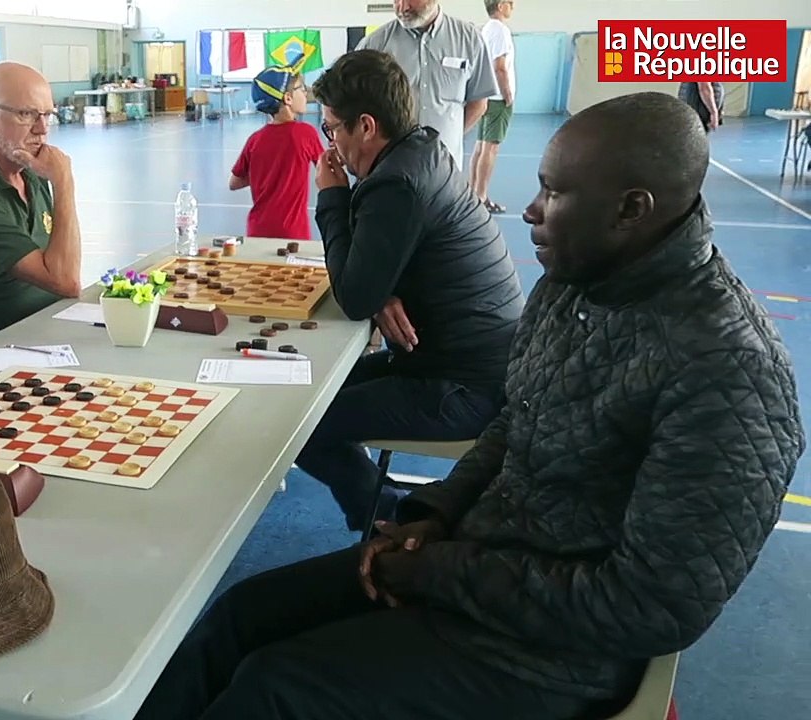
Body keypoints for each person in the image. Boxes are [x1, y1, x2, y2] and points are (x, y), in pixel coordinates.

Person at [136, 90, 804, 720]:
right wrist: (436, 513)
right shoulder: (577, 283)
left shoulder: (729, 371)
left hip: (551, 653)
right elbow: (517, 419)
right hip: (477, 562)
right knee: (236, 619)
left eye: (554, 192)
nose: (531, 210)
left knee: (275, 689)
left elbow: (649, 606)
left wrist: (438, 571)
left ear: (632, 208)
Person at [297, 50, 524, 530]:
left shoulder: (394, 184)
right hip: (471, 362)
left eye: (332, 128)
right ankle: (383, 501)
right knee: (310, 394)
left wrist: (332, 196)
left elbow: (353, 297)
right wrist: (381, 287)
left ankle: (387, 513)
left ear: (366, 126)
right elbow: (371, 277)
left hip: (464, 387)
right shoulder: (422, 150)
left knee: (299, 423)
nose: (331, 145)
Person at [0, 61, 81, 343]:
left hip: (47, 327)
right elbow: (65, 280)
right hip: (0, 345)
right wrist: (63, 183)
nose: (42, 129)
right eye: (26, 114)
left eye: (47, 115)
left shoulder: (26, 167)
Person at [356, 0, 498, 170]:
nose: (403, 8)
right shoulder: (374, 45)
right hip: (391, 170)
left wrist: (445, 139)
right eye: (396, 0)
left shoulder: (469, 39)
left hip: (445, 168)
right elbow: (354, 106)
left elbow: (479, 103)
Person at [228, 66, 324, 240]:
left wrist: (267, 173)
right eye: (301, 88)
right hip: (293, 232)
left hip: (257, 230)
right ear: (287, 98)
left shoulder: (254, 140)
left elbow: (234, 183)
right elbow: (326, 172)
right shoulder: (306, 134)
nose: (305, 92)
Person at [470, 0, 516, 213]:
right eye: (509, 3)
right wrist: (507, 94)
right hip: (497, 98)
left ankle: (473, 193)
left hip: (487, 95)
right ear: (500, 6)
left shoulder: (485, 29)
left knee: (480, 145)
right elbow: (500, 67)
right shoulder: (500, 31)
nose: (512, 7)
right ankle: (481, 196)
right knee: (491, 147)